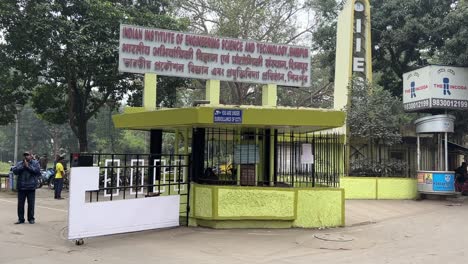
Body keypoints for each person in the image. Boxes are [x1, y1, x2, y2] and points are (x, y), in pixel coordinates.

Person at [12, 152, 41, 224]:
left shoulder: (35, 163)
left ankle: (31, 219)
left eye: (27, 155)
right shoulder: (20, 163)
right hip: (21, 187)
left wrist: (28, 167)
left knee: (31, 204)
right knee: (20, 204)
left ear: (31, 156)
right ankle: (21, 219)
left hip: (31, 187)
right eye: (25, 155)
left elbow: (37, 171)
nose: (26, 156)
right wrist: (23, 166)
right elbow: (15, 171)